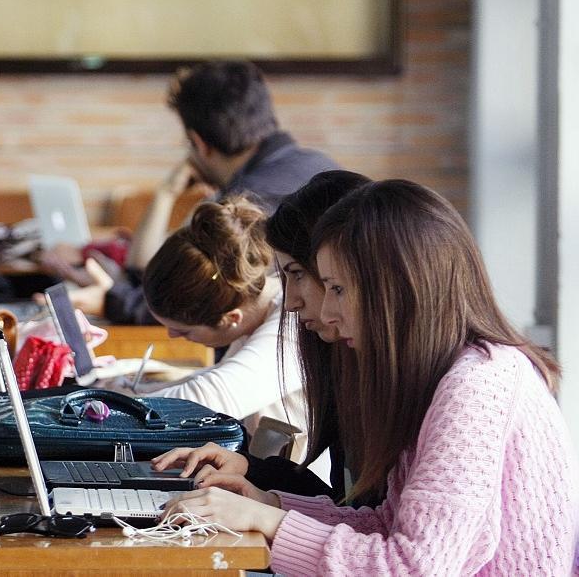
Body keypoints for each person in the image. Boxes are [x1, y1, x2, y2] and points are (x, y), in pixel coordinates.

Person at [161, 179, 579, 574]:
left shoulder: (477, 385)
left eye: (337, 289)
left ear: (394, 287)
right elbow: (387, 523)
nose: (324, 312)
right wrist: (266, 501)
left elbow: (411, 567)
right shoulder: (446, 375)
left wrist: (271, 522)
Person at [152, 170, 373, 501]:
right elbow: (352, 512)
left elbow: (213, 395)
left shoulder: (299, 327)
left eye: (297, 274)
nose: (294, 302)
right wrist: (250, 472)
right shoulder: (321, 335)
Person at [70, 61, 337, 324]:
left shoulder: (242, 204)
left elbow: (172, 292)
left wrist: (112, 301)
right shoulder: (322, 167)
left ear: (199, 142)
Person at [138, 196, 321, 478]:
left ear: (231, 318)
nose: (172, 336)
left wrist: (108, 411)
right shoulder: (262, 313)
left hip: (305, 496)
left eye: (184, 331)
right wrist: (122, 395)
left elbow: (210, 397)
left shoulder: (294, 323)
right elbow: (213, 378)